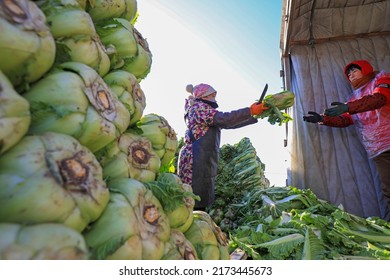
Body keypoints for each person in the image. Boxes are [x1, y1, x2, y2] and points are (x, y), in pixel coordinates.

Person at [303, 59, 390, 211]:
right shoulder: (353, 98)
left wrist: (347, 107)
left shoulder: (381, 79)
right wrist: (323, 119)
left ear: (366, 69)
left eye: (354, 71)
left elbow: (380, 98)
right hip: (379, 150)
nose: (351, 75)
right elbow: (346, 120)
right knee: (388, 188)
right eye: (349, 74)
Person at [177, 83, 268, 210]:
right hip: (195, 161)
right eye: (211, 94)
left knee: (199, 200)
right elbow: (225, 119)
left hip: (201, 159)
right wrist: (250, 110)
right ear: (203, 95)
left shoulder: (202, 108)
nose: (214, 96)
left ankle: (198, 223)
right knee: (194, 202)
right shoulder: (199, 108)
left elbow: (228, 124)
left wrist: (253, 115)